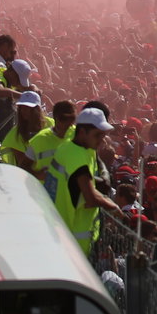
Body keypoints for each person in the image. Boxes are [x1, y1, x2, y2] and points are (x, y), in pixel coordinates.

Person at [43, 106, 122, 254]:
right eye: (97, 135)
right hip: (71, 240)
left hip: (59, 229)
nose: (101, 140)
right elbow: (90, 196)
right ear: (82, 132)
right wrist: (113, 207)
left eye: (103, 135)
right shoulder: (78, 156)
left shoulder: (67, 148)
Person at [0, 90, 45, 172]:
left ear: (37, 109)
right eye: (22, 107)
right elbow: (23, 165)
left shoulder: (51, 123)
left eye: (28, 108)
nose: (24, 111)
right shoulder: (15, 134)